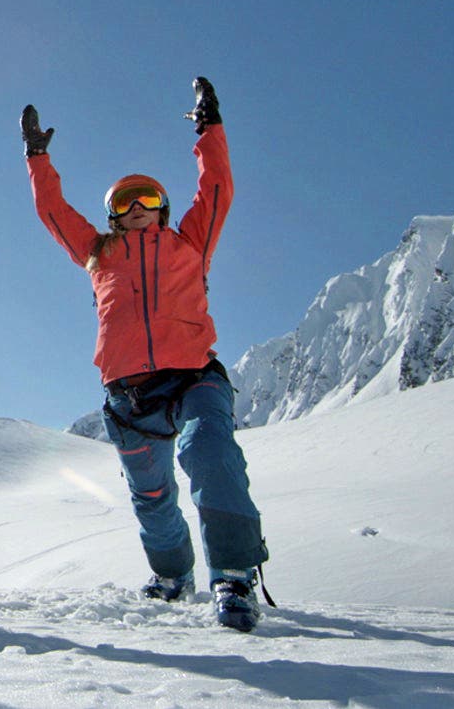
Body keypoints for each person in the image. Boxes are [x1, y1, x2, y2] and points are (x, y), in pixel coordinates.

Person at [22, 77, 270, 632]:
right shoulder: (96, 254)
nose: (139, 208)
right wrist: (38, 157)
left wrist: (209, 128)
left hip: (192, 377)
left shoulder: (189, 243)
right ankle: (173, 577)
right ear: (112, 216)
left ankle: (232, 576)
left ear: (164, 208)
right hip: (128, 395)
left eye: (150, 199)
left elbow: (217, 190)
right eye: (125, 202)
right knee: (152, 496)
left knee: (211, 454)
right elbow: (53, 210)